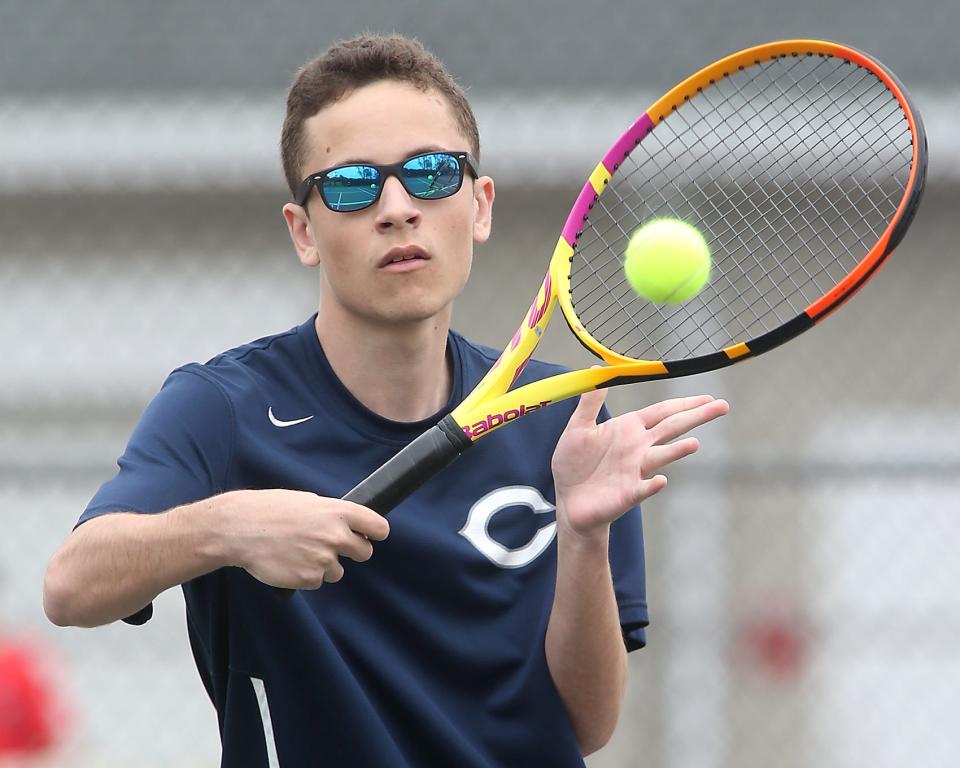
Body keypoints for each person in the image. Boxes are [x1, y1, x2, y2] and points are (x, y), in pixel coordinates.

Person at [43, 34, 729, 767]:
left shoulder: (570, 432)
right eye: (351, 184)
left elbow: (586, 724)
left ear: (480, 206)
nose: (398, 208)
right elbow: (72, 588)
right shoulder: (221, 410)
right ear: (304, 231)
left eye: (431, 173)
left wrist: (585, 536)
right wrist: (229, 528)